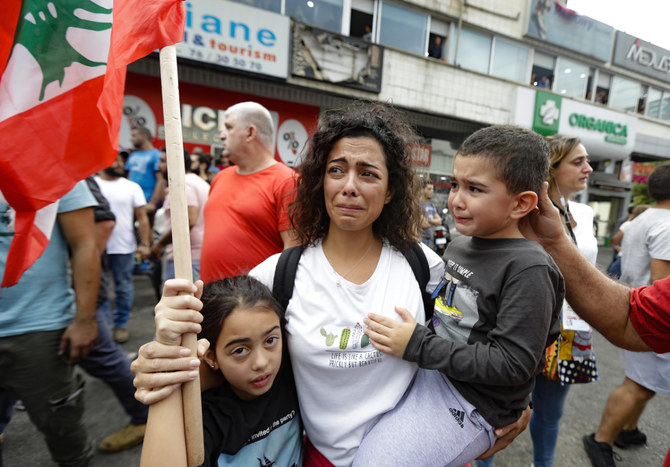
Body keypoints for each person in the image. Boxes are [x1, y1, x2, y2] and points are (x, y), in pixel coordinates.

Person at [132, 103, 535, 465]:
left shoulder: (423, 266)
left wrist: (511, 406)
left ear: (391, 189)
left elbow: (489, 333)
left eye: (368, 173)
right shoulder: (277, 275)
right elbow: (220, 363)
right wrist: (167, 353)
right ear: (318, 181)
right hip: (319, 456)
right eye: (336, 170)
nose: (349, 187)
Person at [357, 125, 564, 466]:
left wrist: (417, 344)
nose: (456, 199)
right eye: (455, 184)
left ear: (521, 203)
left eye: (474, 189)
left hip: (472, 405)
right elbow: (445, 312)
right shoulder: (459, 245)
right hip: (432, 374)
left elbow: (514, 364)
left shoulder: (529, 268)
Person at [477, 135, 598, 467]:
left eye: (587, 161)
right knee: (497, 410)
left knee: (551, 413)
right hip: (523, 323)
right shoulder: (523, 210)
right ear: (552, 168)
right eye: (578, 161)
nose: (588, 168)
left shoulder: (585, 213)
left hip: (572, 325)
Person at [137, 276, 302, 466]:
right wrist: (169, 381)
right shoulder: (203, 416)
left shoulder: (292, 372)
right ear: (211, 357)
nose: (261, 363)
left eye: (270, 340)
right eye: (239, 350)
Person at [0, 181, 99, 467]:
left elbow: (85, 245)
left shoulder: (53, 166)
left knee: (63, 433)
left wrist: (84, 320)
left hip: (39, 326)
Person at [583, 163, 670, 467]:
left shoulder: (643, 218)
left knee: (643, 382)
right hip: (652, 316)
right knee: (640, 386)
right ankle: (602, 440)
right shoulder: (668, 225)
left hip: (632, 304)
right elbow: (662, 282)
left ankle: (628, 430)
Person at [81, 177, 149, 452]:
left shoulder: (74, 177)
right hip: (28, 300)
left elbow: (106, 222)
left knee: (103, 355)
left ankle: (144, 416)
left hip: (73, 291)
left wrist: (80, 272)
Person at [200, 102, 298, 281]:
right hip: (209, 300)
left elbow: (294, 258)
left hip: (253, 304)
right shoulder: (220, 178)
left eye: (229, 127)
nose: (222, 135)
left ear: (250, 133)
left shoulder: (287, 182)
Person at [96, 152, 153, 343]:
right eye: (115, 158)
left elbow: (142, 217)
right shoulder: (92, 185)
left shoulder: (131, 187)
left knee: (122, 288)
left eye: (122, 159)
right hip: (96, 248)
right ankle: (103, 330)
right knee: (98, 290)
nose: (120, 163)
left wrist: (145, 244)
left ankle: (120, 326)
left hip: (124, 248)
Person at [152, 149, 210, 284]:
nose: (159, 166)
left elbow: (189, 220)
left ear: (175, 162)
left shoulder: (183, 184)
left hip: (185, 259)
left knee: (179, 302)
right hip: (195, 256)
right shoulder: (196, 181)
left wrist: (160, 244)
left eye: (163, 161)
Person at [127, 127, 165, 216]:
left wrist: (152, 203)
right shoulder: (133, 155)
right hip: (130, 200)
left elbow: (161, 180)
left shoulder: (156, 155)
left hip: (146, 201)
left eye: (134, 136)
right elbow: (128, 177)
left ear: (143, 137)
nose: (131, 139)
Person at [607, 205, 650, 279]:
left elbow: (616, 239)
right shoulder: (650, 227)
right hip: (643, 261)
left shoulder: (629, 224)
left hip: (624, 258)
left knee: (611, 279)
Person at [419, 178, 441, 246]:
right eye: (429, 189)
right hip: (420, 240)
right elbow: (424, 225)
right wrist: (434, 222)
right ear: (422, 190)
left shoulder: (431, 205)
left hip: (428, 240)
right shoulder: (417, 205)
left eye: (432, 189)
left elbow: (439, 221)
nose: (432, 191)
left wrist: (428, 220)